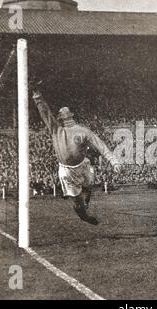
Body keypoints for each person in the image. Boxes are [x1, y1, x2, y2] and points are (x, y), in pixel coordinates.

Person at [31, 85, 120, 225]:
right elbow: (45, 113)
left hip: (82, 164)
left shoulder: (77, 131)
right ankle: (84, 215)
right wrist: (37, 97)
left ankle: (85, 203)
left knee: (88, 185)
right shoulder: (58, 130)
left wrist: (114, 161)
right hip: (67, 169)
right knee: (78, 197)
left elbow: (99, 144)